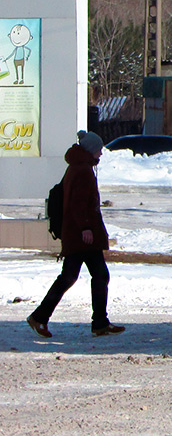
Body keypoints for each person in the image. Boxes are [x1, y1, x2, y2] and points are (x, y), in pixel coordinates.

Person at [27, 131, 125, 339]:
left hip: (78, 234)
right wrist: (85, 228)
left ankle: (96, 322)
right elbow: (77, 203)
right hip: (82, 235)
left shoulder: (79, 166)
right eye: (99, 149)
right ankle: (42, 317)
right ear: (90, 150)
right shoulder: (82, 170)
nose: (101, 153)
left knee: (81, 276)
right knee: (87, 276)